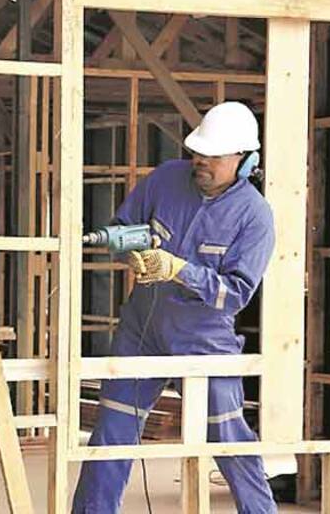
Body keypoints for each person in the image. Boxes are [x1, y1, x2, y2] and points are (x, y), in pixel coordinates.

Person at [72, 101, 277, 514]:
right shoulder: (166, 178)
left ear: (244, 161)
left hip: (204, 339)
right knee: (112, 432)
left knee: (228, 439)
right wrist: (130, 253)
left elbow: (236, 294)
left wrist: (180, 270)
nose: (200, 161)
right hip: (142, 331)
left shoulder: (255, 216)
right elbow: (120, 229)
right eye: (198, 152)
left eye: (213, 156)